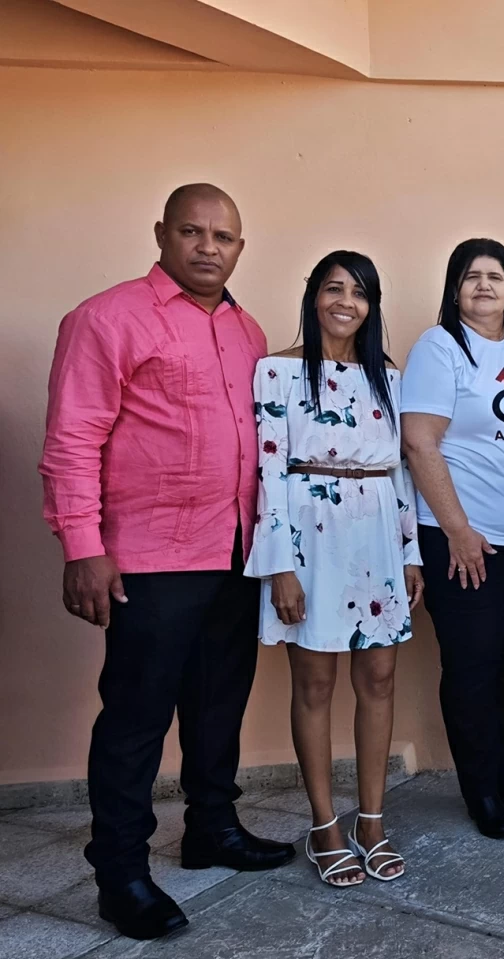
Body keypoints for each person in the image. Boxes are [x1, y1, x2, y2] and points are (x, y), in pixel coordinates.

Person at [38, 184, 295, 941]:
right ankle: (120, 873)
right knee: (137, 718)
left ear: (240, 247)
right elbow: (72, 439)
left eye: (224, 236)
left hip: (234, 549)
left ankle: (212, 827)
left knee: (218, 704)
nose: (208, 246)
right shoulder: (106, 318)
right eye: (192, 231)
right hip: (150, 557)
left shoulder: (246, 330)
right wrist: (83, 547)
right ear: (162, 233)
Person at [245, 251, 424, 887]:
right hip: (309, 540)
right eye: (333, 288)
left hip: (376, 538)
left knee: (379, 676)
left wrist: (410, 552)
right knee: (315, 683)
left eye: (360, 292)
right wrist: (279, 567)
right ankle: (324, 825)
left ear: (372, 306)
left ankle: (371, 821)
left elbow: (401, 472)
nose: (346, 302)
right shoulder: (277, 370)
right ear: (313, 297)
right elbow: (267, 472)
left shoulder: (389, 378)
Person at [402, 238, 504, 840]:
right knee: (472, 665)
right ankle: (480, 790)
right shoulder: (439, 348)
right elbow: (419, 443)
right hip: (463, 543)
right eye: (472, 276)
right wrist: (459, 531)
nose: (485, 285)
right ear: (455, 289)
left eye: (496, 276)